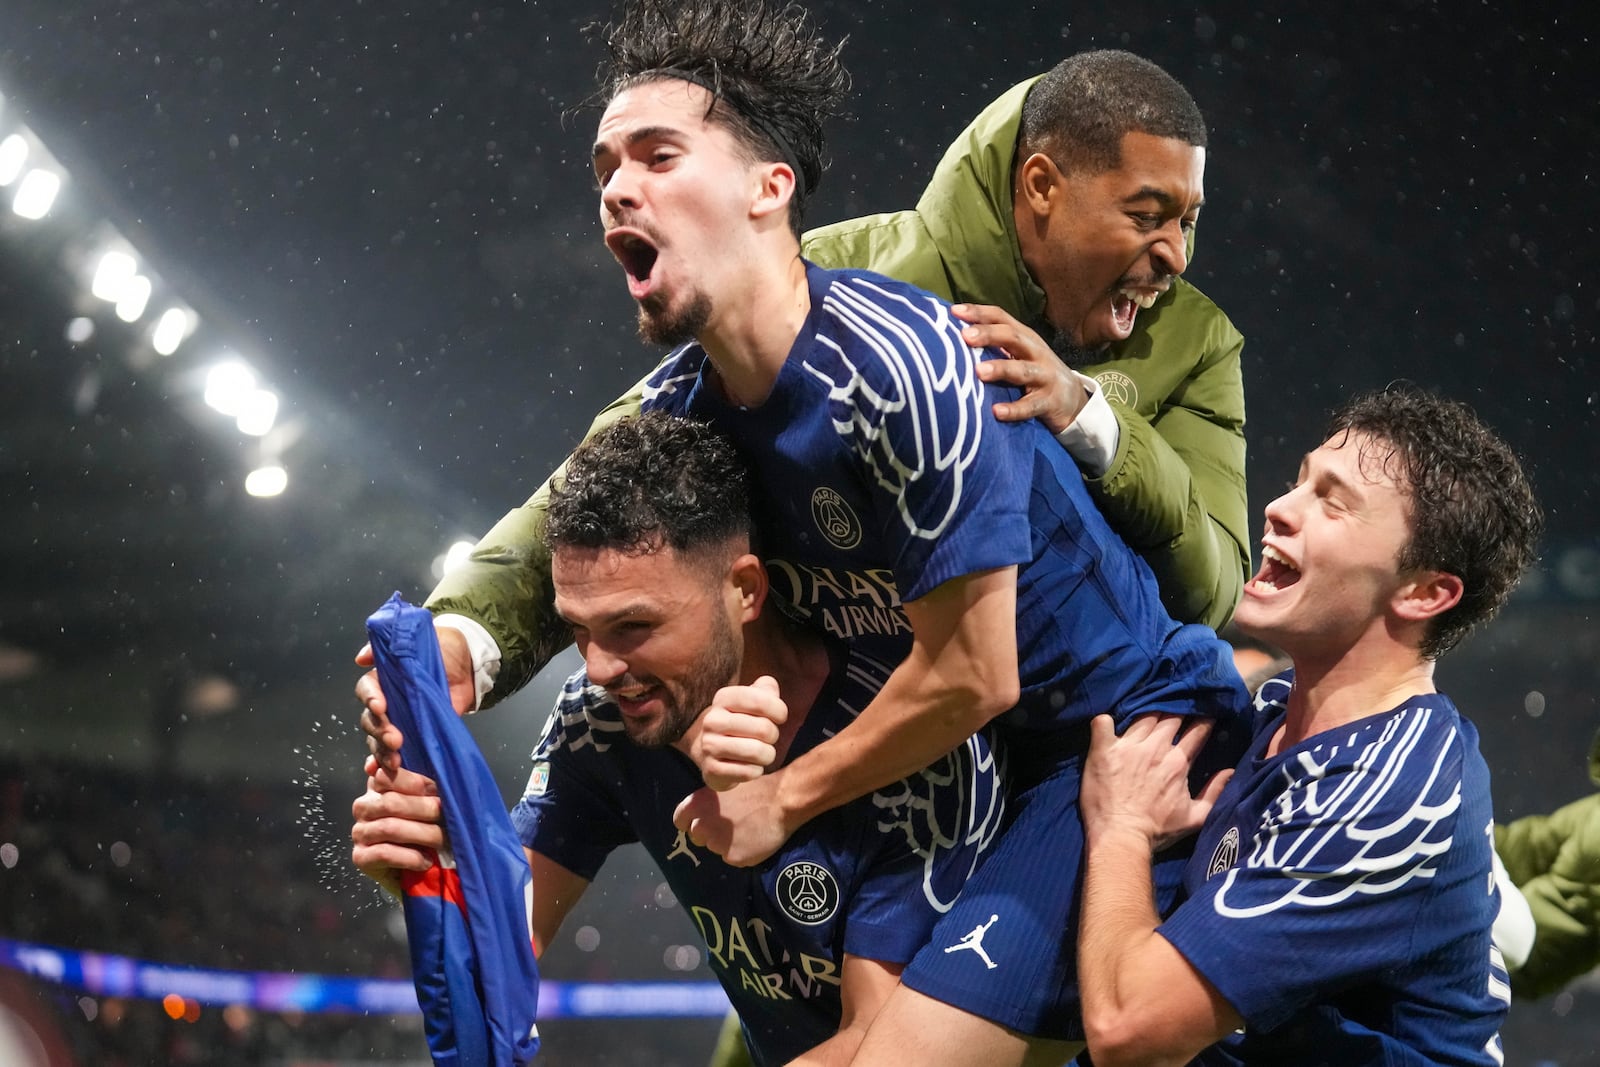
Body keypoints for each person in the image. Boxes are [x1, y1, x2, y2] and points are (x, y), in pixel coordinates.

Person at [412, 45, 1247, 715]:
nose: (1176, 252)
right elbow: (625, 460)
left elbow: (1211, 594)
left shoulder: (1198, 343)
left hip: (1092, 744)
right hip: (891, 746)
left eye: (1189, 220)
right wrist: (469, 637)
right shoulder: (838, 276)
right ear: (1041, 186)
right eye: (1147, 216)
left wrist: (1091, 419)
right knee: (599, 725)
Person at [353, 413, 1003, 1067]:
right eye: (579, 629)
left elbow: (882, 1044)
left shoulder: (903, 743)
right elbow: (507, 938)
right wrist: (437, 863)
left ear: (744, 589)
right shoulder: (599, 720)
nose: (601, 666)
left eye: (634, 624)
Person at [1076, 387, 1541, 1065]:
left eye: (1332, 500)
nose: (1278, 508)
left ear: (1423, 592)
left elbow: (1128, 1027)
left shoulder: (1390, 790)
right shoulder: (1275, 713)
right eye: (1300, 481)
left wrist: (1119, 828)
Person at [1496, 728, 1600, 998]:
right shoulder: (1594, 813)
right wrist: (1470, 832)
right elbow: (1534, 845)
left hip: (1503, 960)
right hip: (1499, 956)